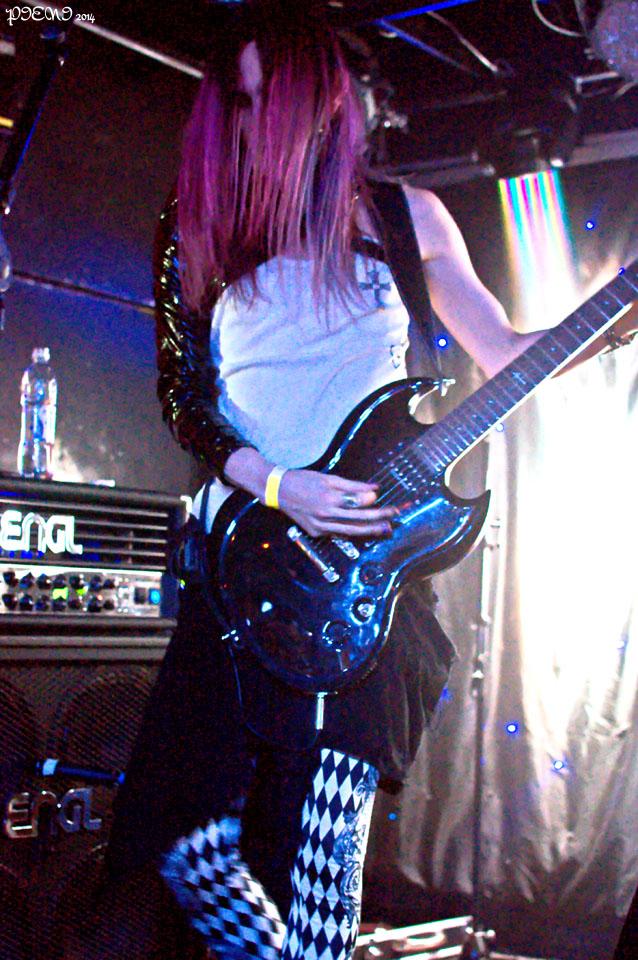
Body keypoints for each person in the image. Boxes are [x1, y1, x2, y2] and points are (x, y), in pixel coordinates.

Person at [98, 3, 638, 959]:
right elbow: (183, 396)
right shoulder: (199, 226)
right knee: (174, 849)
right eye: (241, 102)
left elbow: (503, 351)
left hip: (359, 586)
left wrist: (619, 311)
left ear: (325, 103)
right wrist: (277, 485)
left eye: (276, 98)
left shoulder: (404, 215)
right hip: (238, 563)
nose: (257, 122)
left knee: (314, 865)